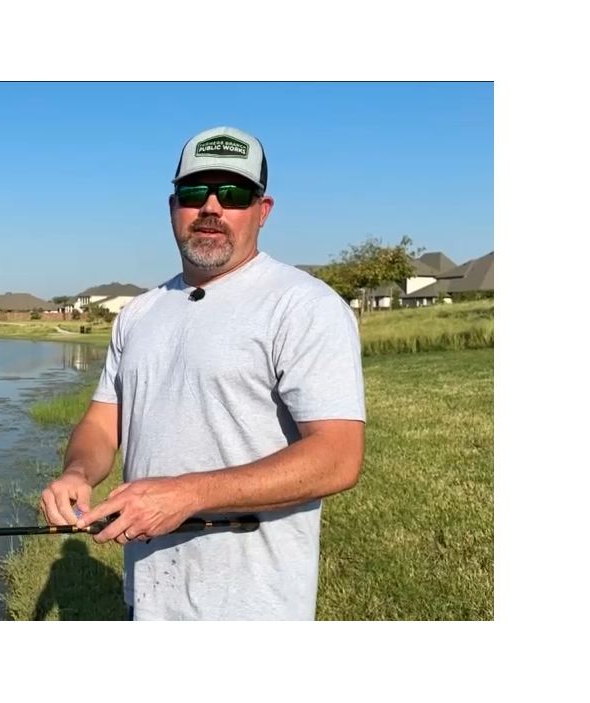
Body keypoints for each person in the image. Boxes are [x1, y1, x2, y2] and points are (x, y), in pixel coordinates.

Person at [39, 126, 366, 620]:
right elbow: (103, 425)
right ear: (173, 206)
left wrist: (189, 494)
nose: (211, 207)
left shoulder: (304, 306)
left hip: (254, 607)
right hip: (147, 598)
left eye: (233, 194)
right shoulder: (139, 313)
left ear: (263, 210)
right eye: (195, 193)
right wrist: (77, 473)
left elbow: (338, 457)